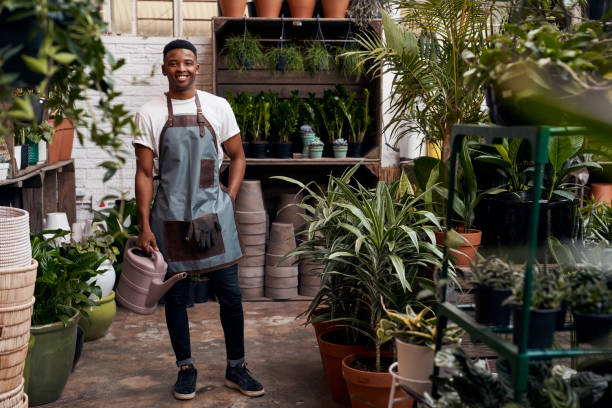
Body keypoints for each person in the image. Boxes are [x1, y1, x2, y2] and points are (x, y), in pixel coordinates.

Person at [132, 39, 264, 401]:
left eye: (188, 62)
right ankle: (185, 367)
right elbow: (144, 173)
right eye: (173, 63)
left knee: (231, 295)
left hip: (212, 217)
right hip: (170, 219)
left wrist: (229, 197)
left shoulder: (218, 107)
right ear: (164, 69)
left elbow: (237, 157)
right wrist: (144, 226)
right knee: (176, 299)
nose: (181, 69)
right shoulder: (149, 112)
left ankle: (236, 366)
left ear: (197, 67)